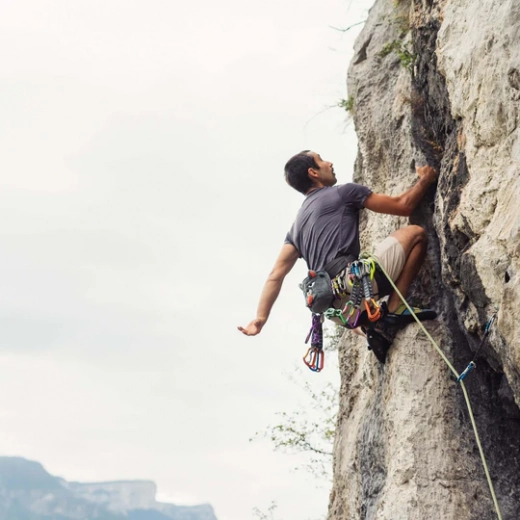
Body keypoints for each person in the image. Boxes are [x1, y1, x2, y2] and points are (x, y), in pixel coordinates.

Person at [238, 150, 437, 338]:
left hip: (337, 312)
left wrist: (261, 318)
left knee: (351, 305)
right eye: (321, 159)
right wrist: (425, 179)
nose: (329, 163)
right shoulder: (343, 192)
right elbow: (403, 206)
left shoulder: (296, 227)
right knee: (415, 233)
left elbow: (275, 276)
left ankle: (370, 329)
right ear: (313, 172)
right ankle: (395, 308)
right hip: (355, 285)